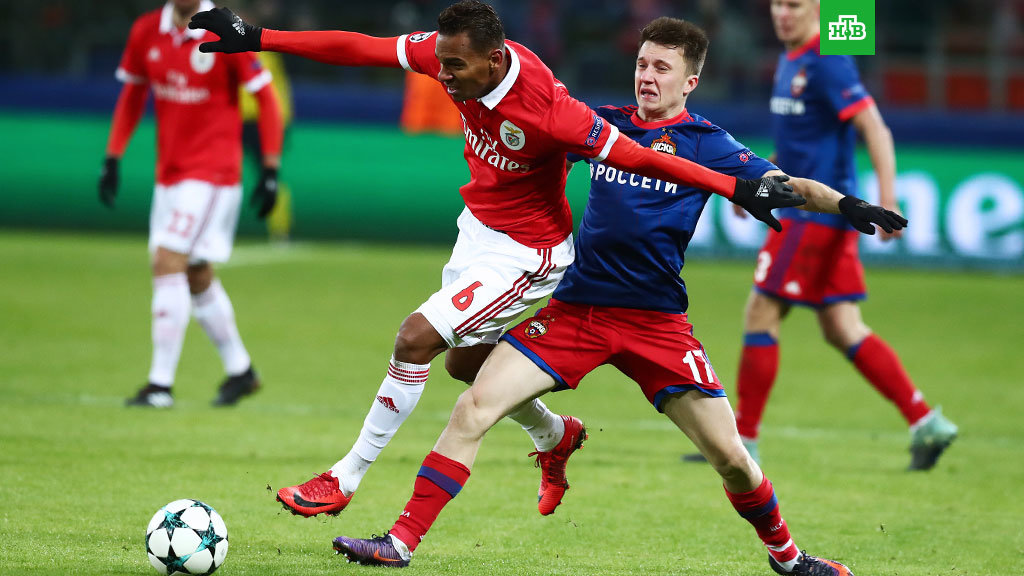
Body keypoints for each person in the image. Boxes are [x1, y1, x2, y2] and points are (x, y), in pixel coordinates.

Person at [329, 16, 905, 575]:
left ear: (690, 81)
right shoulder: (602, 126)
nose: (647, 76)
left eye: (662, 68)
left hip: (657, 324)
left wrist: (848, 205)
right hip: (576, 311)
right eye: (642, 64)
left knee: (732, 459)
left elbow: (785, 185)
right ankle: (400, 542)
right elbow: (533, 134)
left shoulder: (707, 144)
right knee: (473, 407)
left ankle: (789, 557)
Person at [189, 0, 809, 518]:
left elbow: (642, 156)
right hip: (478, 232)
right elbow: (362, 48)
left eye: (455, 68)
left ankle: (344, 478)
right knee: (464, 365)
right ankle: (553, 433)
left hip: (528, 253)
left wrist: (735, 187)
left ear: (494, 59)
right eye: (441, 63)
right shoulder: (451, 54)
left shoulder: (550, 109)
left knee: (414, 339)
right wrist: (258, 37)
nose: (443, 77)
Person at [686, 0, 957, 471]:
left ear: (817, 7)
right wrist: (754, 183)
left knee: (761, 312)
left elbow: (875, 127)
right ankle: (925, 422)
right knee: (841, 326)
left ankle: (743, 440)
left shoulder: (826, 59)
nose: (782, 13)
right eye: (777, 4)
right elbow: (800, 144)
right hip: (811, 209)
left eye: (794, 4)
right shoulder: (792, 57)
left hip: (814, 216)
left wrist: (887, 199)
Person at [99, 0, 284, 408]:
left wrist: (270, 168)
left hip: (212, 174)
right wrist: (113, 156)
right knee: (196, 273)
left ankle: (159, 385)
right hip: (169, 175)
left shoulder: (226, 28)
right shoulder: (146, 30)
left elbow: (265, 97)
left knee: (167, 260)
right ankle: (241, 371)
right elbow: (133, 93)